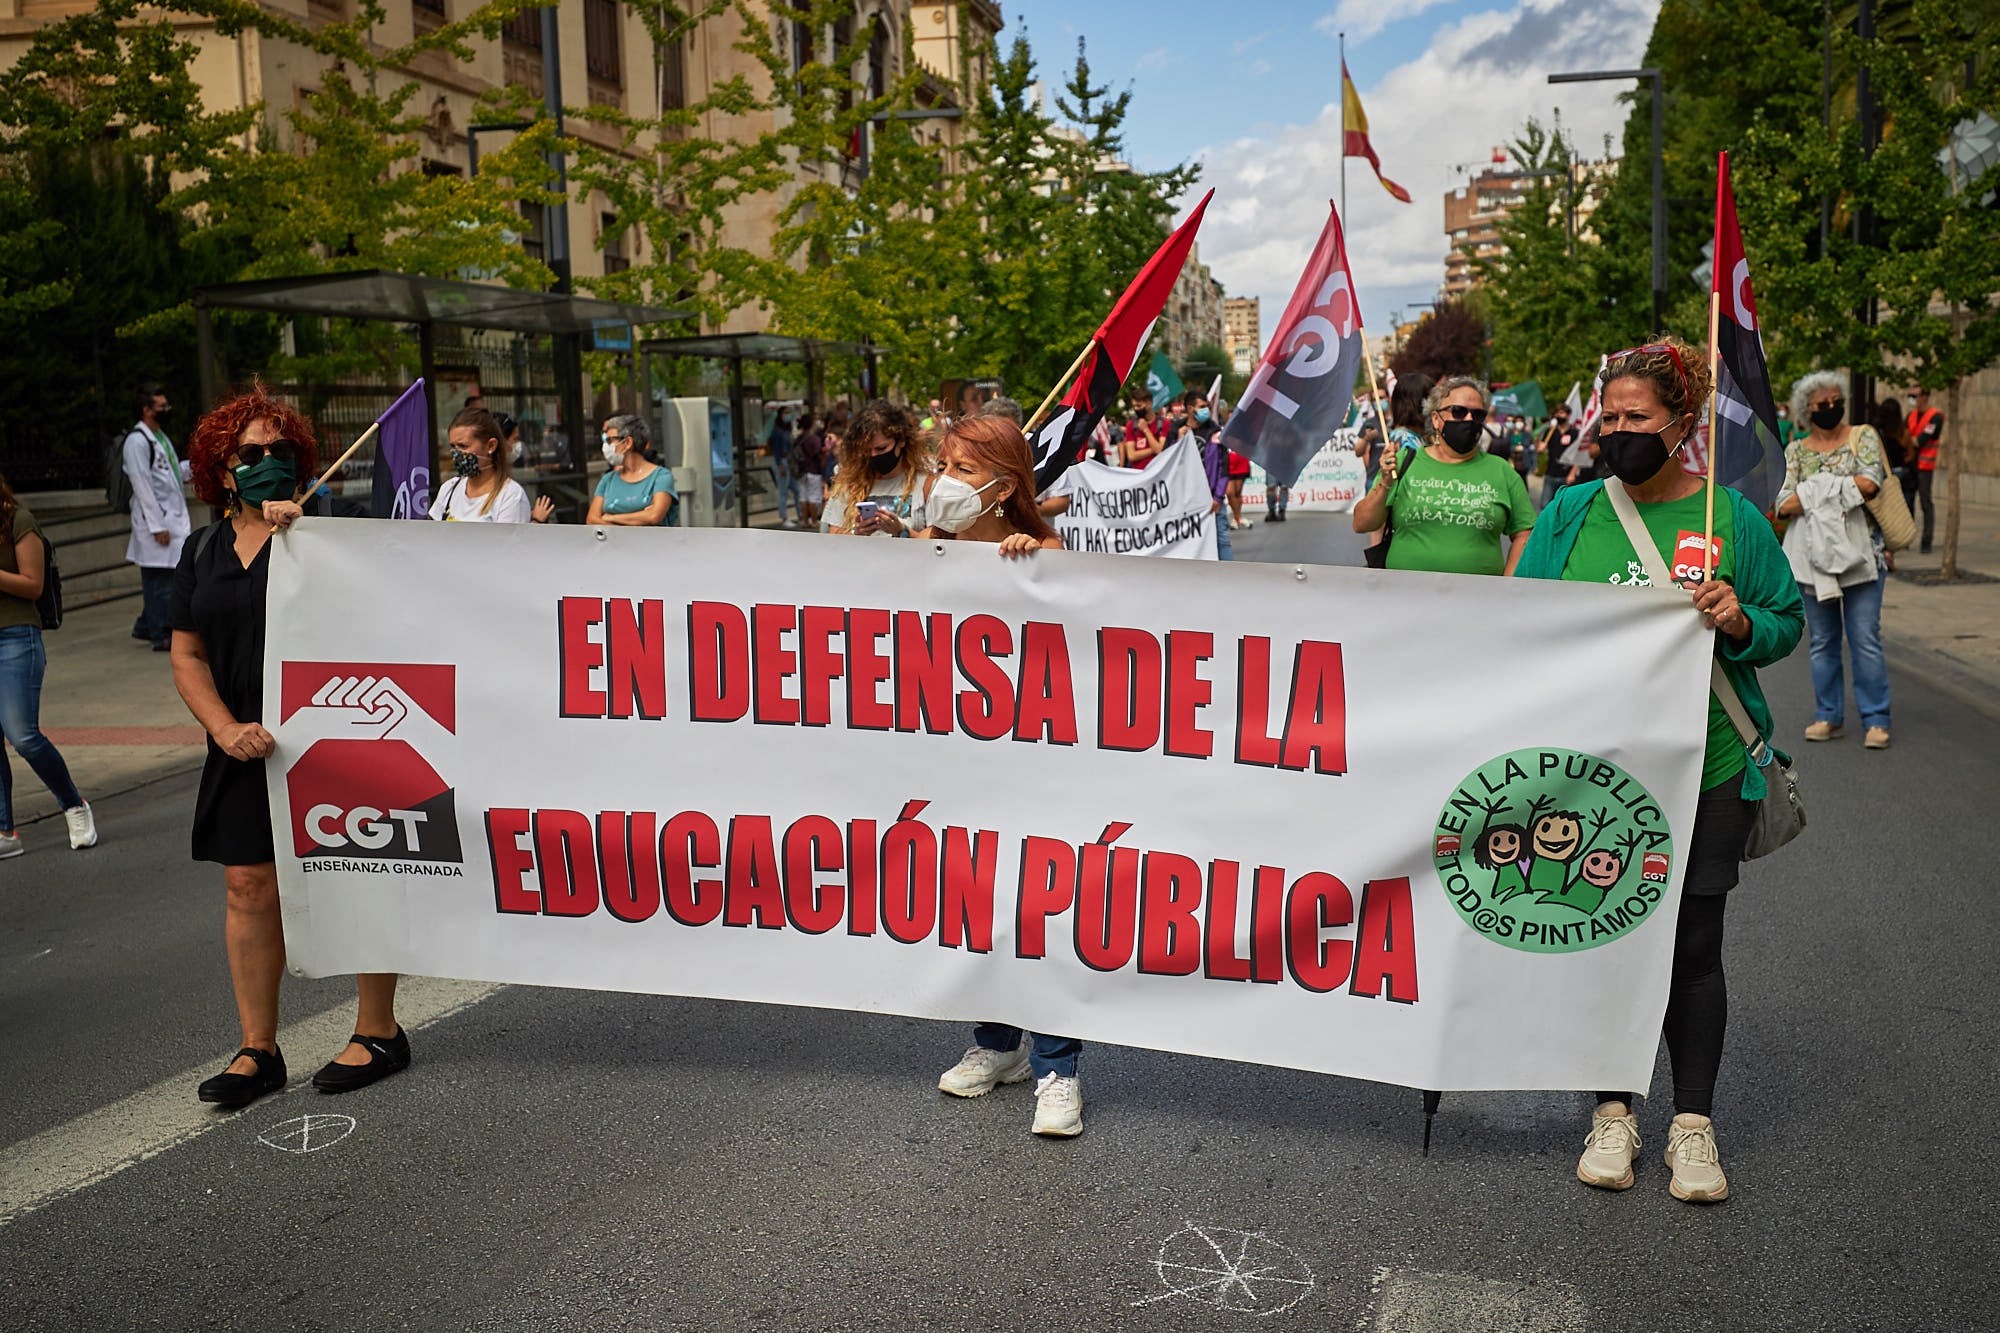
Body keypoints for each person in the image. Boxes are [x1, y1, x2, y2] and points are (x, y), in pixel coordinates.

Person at [1515, 336, 1804, 1204]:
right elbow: (1517, 624)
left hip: (1708, 763)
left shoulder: (1731, 520)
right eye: (1609, 417)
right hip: (1594, 776)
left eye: (1636, 417)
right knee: (1607, 934)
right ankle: (1613, 1109)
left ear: (1683, 425)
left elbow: (1785, 622)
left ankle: (1693, 1124)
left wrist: (1740, 618)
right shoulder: (1570, 515)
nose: (1617, 431)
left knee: (1693, 944)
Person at [172, 388, 407, 1108]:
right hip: (244, 743)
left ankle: (379, 1029)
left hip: (334, 736)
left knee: (354, 872)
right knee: (248, 885)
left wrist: (303, 536)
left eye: (280, 451)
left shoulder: (327, 534)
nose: (268, 462)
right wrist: (222, 727)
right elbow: (188, 653)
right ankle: (258, 1048)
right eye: (251, 453)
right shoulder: (201, 549)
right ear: (222, 466)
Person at [917, 415, 1077, 1134]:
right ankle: (998, 1044)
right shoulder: (932, 552)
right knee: (982, 903)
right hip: (962, 762)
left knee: (1041, 907)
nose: (944, 481)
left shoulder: (1044, 549)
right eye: (942, 463)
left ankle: (1058, 1069)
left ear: (1005, 487)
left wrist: (1038, 568)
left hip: (1039, 765)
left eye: (962, 468)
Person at [1776, 372, 1892, 749]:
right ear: (1806, 410)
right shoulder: (1795, 451)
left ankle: (1877, 719)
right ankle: (1829, 716)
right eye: (1821, 404)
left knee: (1864, 638)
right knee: (1823, 641)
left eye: (1835, 402)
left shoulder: (1863, 437)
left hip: (1864, 555)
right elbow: (1783, 504)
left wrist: (1812, 491)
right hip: (1812, 562)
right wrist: (1839, 488)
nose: (1830, 409)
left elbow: (1871, 482)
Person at [0, 471, 95, 858]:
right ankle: (5, 832)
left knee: (22, 735)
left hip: (15, 637)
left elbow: (33, 584)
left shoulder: (17, 519)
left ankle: (74, 805)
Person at [1352, 376, 1534, 575]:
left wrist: (1507, 584)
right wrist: (1385, 482)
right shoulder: (1404, 461)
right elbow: (1362, 524)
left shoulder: (1502, 471)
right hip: (1405, 597)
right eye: (1459, 412)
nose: (1469, 419)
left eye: (1478, 415)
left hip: (1478, 600)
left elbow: (1525, 534)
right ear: (1436, 419)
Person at [123, 383, 191, 653]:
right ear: (146, 410)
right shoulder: (137, 442)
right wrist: (157, 525)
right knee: (159, 580)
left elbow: (171, 474)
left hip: (170, 517)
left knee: (163, 579)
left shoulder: (159, 437)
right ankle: (160, 633)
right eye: (161, 407)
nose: (167, 410)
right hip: (155, 521)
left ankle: (145, 625)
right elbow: (142, 486)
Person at [823, 399, 933, 537]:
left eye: (881, 448)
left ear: (901, 441)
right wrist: (856, 533)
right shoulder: (849, 481)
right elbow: (834, 535)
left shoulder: (926, 482)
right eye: (867, 451)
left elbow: (937, 541)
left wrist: (902, 531)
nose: (874, 456)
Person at [431, 407, 544, 523]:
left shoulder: (510, 496)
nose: (456, 453)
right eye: (453, 446)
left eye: (463, 446)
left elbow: (510, 540)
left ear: (491, 446)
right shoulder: (449, 489)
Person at [589, 414, 679, 527]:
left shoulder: (661, 477)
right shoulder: (608, 479)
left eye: (610, 440)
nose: (606, 446)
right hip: (615, 545)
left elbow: (654, 516)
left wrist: (611, 517)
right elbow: (592, 519)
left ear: (628, 443)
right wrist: (639, 518)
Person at [1907, 385, 1942, 553]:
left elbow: (1920, 440)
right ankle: (1905, 537)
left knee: (1925, 502)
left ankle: (1926, 540)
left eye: (1915, 395)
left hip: (1925, 466)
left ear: (1925, 396)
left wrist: (1909, 441)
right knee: (1907, 501)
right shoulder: (1911, 415)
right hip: (1910, 464)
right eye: (1910, 395)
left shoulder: (1935, 417)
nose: (1912, 399)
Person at [1539, 404, 1580, 507]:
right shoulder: (1550, 431)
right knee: (1545, 505)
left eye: (1561, 413)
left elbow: (1579, 456)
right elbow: (1540, 450)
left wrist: (1572, 473)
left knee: (1562, 507)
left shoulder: (1574, 433)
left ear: (1568, 415)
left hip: (1566, 476)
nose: (1558, 415)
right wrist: (1540, 448)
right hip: (1551, 474)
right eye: (1557, 413)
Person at [766, 408, 800, 529]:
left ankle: (800, 515)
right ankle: (784, 517)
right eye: (786, 413)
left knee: (796, 489)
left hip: (788, 461)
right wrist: (779, 464)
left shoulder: (786, 429)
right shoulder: (776, 431)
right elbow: (776, 449)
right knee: (783, 491)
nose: (788, 415)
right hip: (781, 461)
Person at [794, 413, 828, 528]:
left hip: (801, 471)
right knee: (813, 497)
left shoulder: (798, 439)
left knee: (803, 497)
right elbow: (819, 455)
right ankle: (814, 521)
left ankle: (805, 520)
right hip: (813, 471)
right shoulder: (814, 439)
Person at [1121, 401, 1165, 469]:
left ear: (1149, 404)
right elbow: (1131, 456)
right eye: (1134, 406)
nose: (1136, 409)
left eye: (1139, 406)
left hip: (1157, 471)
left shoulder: (1164, 423)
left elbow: (1160, 451)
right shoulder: (1131, 425)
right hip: (1137, 473)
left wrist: (1145, 430)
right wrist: (1154, 449)